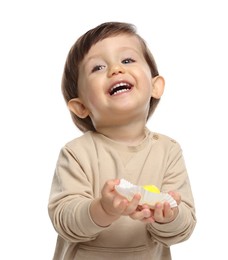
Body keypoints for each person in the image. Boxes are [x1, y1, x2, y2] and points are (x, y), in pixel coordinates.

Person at [48, 21, 196, 260]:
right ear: (81, 106)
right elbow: (64, 220)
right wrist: (102, 209)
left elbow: (184, 226)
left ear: (155, 86)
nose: (115, 69)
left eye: (127, 60)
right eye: (97, 67)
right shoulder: (76, 153)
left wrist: (169, 216)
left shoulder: (168, 151)